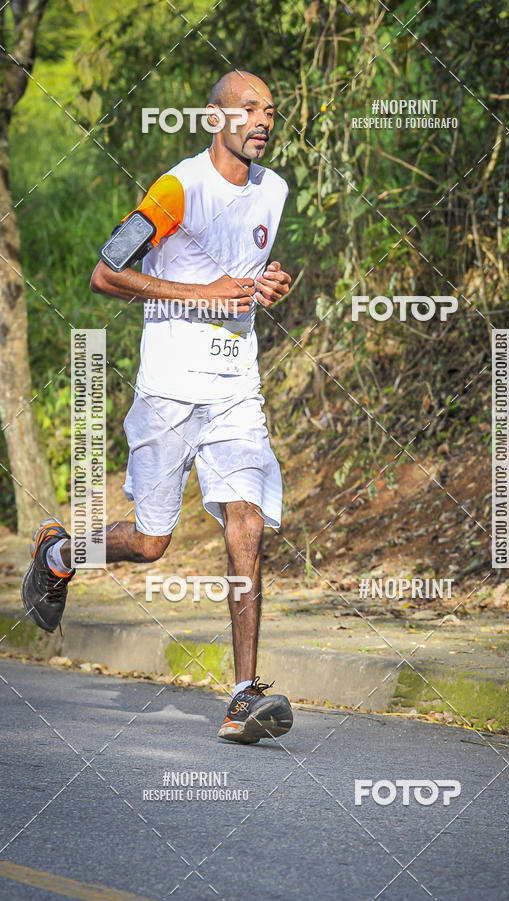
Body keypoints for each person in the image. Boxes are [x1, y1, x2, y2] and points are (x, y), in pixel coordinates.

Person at [21, 70, 294, 745]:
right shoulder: (178, 189)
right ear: (214, 118)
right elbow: (106, 270)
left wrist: (266, 284)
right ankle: (59, 553)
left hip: (236, 388)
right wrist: (203, 295)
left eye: (270, 110)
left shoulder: (274, 190)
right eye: (249, 109)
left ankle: (243, 696)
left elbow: (238, 268)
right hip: (170, 386)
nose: (263, 120)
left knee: (246, 523)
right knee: (150, 542)